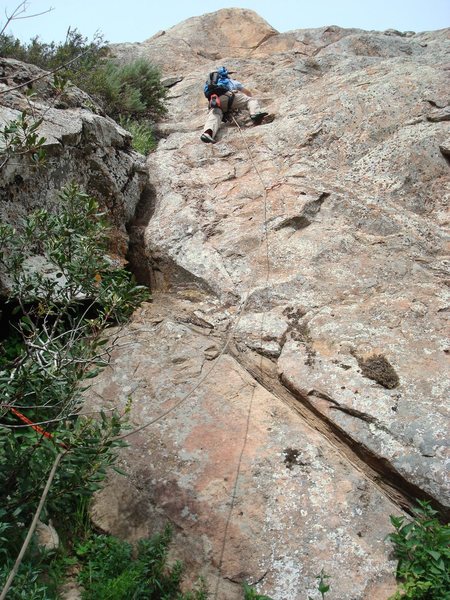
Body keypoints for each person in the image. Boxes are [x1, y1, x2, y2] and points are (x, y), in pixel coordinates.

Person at [201, 66, 268, 144]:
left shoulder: (210, 85)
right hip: (229, 97)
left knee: (215, 115)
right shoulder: (229, 81)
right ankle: (254, 113)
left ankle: (208, 133)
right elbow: (247, 93)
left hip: (215, 101)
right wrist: (250, 97)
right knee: (250, 100)